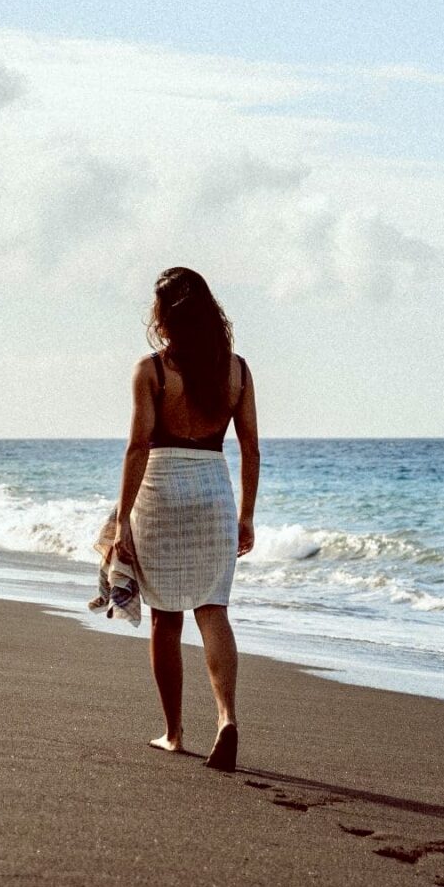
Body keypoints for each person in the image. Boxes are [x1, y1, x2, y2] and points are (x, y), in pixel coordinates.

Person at [113, 267, 259, 772]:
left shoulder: (152, 370)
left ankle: (174, 733)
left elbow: (137, 447)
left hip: (161, 488)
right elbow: (250, 447)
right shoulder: (236, 370)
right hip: (214, 489)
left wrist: (121, 520)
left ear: (163, 315)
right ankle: (226, 718)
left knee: (165, 618)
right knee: (212, 608)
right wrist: (246, 515)